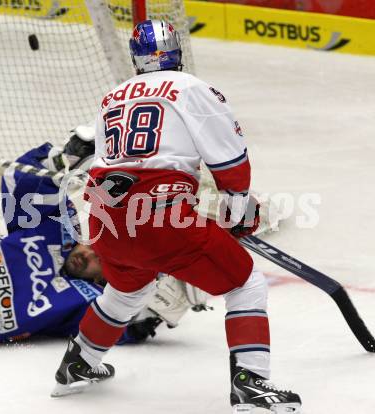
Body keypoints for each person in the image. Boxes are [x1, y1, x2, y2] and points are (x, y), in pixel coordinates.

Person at [52, 19, 302, 413]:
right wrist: (238, 208)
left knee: (129, 288)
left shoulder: (112, 95)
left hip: (103, 213)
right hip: (158, 212)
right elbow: (228, 156)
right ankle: (251, 382)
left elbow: (102, 157)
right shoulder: (192, 88)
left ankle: (79, 362)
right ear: (177, 52)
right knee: (245, 283)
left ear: (136, 60)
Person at [0, 135, 202, 347]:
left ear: (108, 278)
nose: (87, 254)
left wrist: (153, 312)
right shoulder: (60, 230)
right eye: (96, 247)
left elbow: (119, 324)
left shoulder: (85, 303)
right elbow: (20, 182)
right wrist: (64, 159)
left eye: (100, 261)